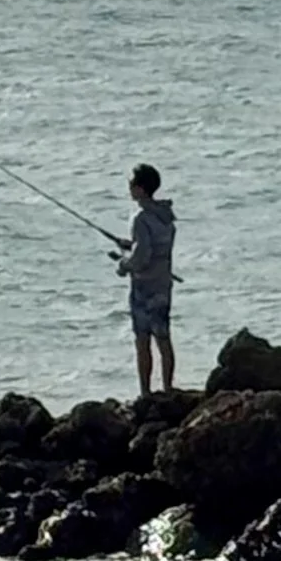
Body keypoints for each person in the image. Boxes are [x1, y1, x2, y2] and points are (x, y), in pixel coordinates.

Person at [113, 164, 176, 397]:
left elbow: (142, 256)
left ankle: (146, 393)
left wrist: (124, 265)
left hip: (144, 287)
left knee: (142, 341)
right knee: (164, 338)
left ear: (140, 189)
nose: (129, 188)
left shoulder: (140, 218)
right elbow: (155, 248)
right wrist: (129, 245)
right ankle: (168, 388)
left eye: (131, 184)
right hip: (163, 284)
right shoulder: (166, 215)